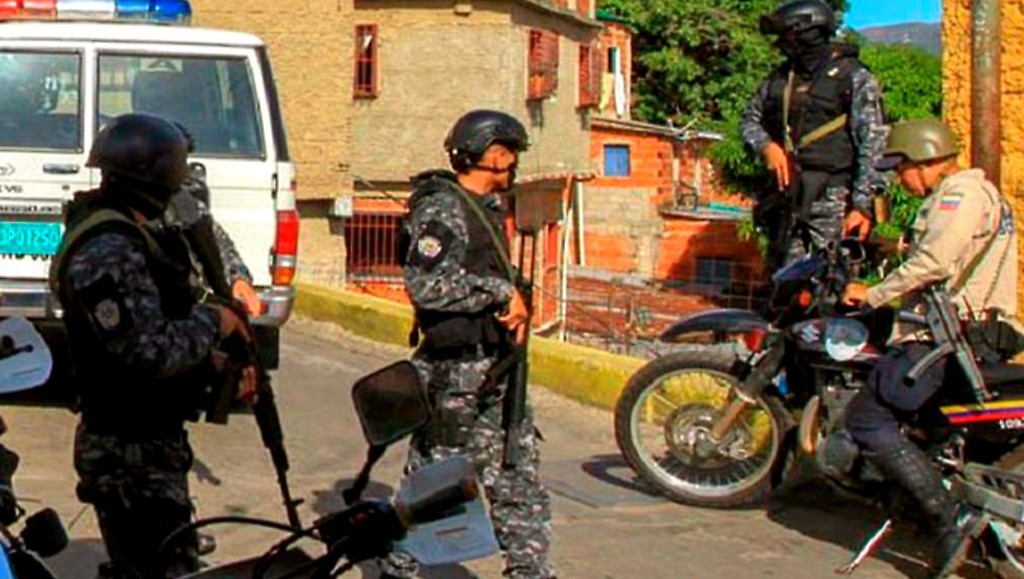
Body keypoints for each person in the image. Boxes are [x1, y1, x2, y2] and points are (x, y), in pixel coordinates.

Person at [50, 113, 256, 579]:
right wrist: (215, 321)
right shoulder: (109, 247)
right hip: (126, 451)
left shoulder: (135, 233)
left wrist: (211, 362)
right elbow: (149, 351)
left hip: (147, 442)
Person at [840, 118, 1017, 577]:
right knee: (926, 427)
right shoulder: (970, 195)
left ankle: (945, 516)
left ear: (922, 160)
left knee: (868, 416)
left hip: (948, 336)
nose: (900, 180)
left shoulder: (960, 196)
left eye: (901, 169)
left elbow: (935, 262)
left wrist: (873, 293)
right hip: (967, 332)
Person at [381, 109, 553, 579]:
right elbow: (426, 286)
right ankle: (398, 567)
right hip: (453, 374)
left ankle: (529, 569)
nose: (514, 163)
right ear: (493, 154)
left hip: (496, 367)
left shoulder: (485, 208)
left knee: (516, 469)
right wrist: (500, 293)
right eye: (510, 153)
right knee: (435, 481)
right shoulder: (443, 209)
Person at [741, 0, 889, 272]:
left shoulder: (853, 77)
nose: (782, 43)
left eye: (788, 35)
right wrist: (766, 146)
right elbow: (750, 120)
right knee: (784, 281)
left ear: (807, 32)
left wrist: (862, 206)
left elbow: (874, 143)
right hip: (787, 199)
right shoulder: (779, 79)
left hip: (834, 199)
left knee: (831, 279)